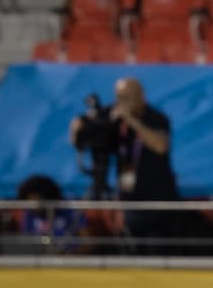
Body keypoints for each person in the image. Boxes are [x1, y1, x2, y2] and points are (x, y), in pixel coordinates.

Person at [70, 77, 179, 254]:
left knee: (157, 250)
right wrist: (82, 124)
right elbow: (79, 133)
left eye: (128, 97)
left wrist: (131, 121)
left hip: (157, 201)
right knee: (130, 252)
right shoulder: (113, 117)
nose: (123, 102)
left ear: (141, 95)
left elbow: (160, 146)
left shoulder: (155, 118)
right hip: (129, 200)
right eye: (119, 97)